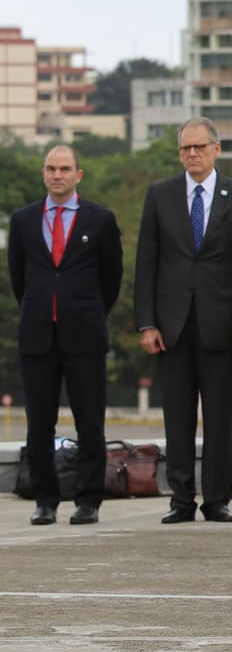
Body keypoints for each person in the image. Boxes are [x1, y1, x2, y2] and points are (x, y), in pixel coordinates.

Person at [135, 117, 232, 524]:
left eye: (199, 147)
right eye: (185, 148)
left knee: (219, 417)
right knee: (177, 417)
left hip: (223, 326)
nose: (192, 154)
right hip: (171, 326)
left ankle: (216, 499)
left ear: (216, 149)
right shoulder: (160, 195)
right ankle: (181, 499)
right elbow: (146, 263)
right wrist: (146, 323)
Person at [8, 145, 122, 525]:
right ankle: (45, 499)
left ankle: (88, 499)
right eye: (51, 169)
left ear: (79, 175)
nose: (57, 175)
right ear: (44, 173)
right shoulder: (24, 221)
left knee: (90, 422)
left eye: (65, 169)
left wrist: (87, 314)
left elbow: (112, 279)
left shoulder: (100, 220)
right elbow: (18, 279)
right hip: (38, 336)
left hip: (84, 337)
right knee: (39, 423)